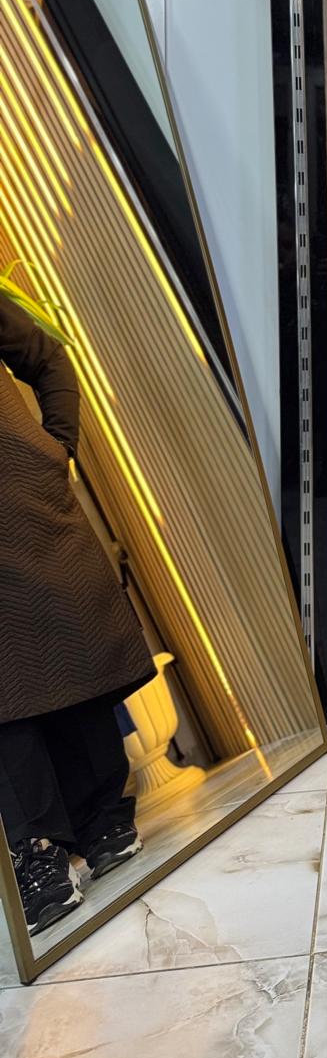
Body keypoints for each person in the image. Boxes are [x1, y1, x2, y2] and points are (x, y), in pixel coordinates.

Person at [0, 292, 153, 935]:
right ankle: (38, 851)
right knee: (8, 688)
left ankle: (102, 819)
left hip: (22, 503)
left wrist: (55, 446)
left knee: (68, 649)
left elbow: (49, 358)